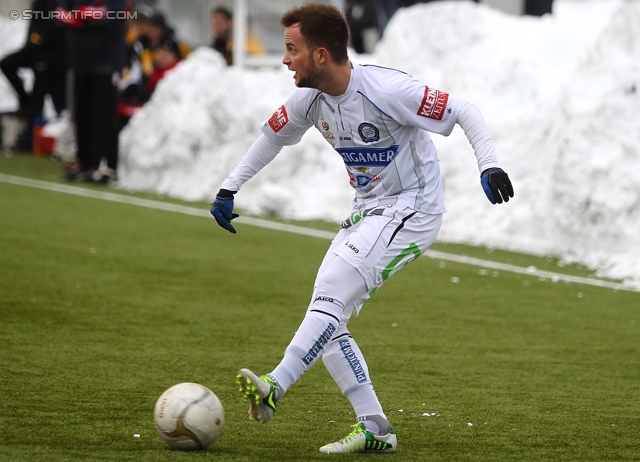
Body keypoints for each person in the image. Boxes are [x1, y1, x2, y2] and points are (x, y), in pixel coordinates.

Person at [210, 2, 514, 454]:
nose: (283, 58)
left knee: (333, 292)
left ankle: (275, 384)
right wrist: (229, 188)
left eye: (292, 49)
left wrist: (488, 165)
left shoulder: (386, 89)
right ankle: (375, 426)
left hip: (414, 209)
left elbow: (464, 109)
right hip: (369, 210)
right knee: (328, 310)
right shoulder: (309, 99)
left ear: (320, 55)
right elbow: (271, 136)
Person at [57, 0, 127, 184]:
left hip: (106, 62)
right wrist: (82, 16)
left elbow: (107, 15)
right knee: (82, 114)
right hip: (81, 61)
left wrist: (81, 14)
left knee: (105, 116)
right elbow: (60, 13)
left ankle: (109, 167)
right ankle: (86, 164)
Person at [0, 0, 66, 151]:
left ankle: (43, 141)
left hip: (51, 56)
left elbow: (54, 22)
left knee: (56, 101)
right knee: (8, 64)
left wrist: (38, 40)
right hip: (37, 53)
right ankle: (30, 140)